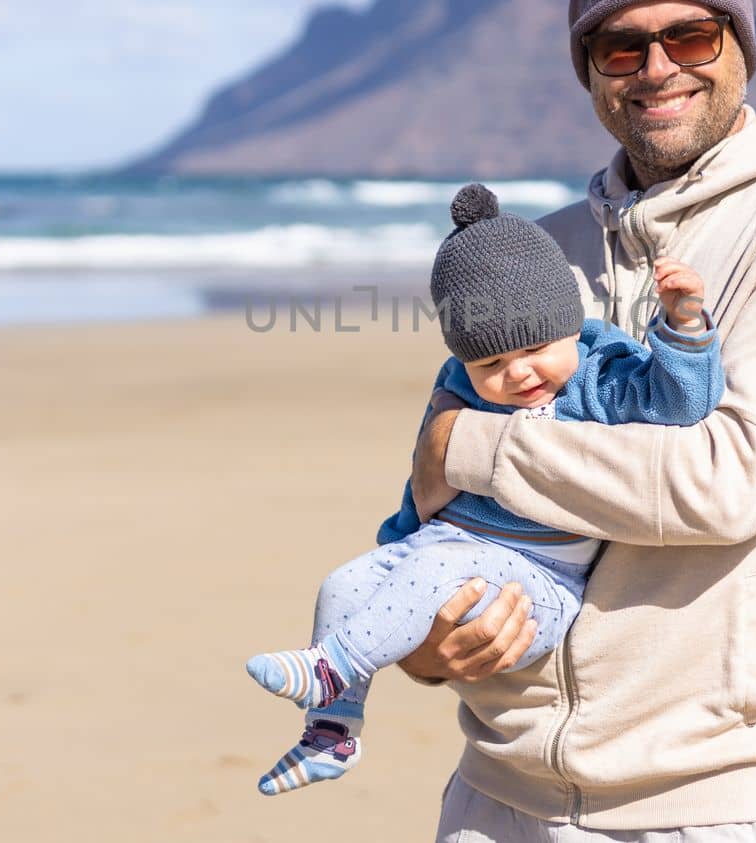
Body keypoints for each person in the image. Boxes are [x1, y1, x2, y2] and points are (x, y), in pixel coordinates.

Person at [400, 0, 756, 840]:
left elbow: (729, 481)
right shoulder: (535, 254)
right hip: (493, 799)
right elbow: (435, 509)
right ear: (590, 69)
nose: (659, 69)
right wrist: (429, 645)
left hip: (710, 804)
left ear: (741, 45)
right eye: (621, 47)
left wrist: (470, 442)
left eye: (691, 33)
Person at [245, 182, 726, 796]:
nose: (517, 374)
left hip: (541, 585)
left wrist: (683, 326)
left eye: (534, 348)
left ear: (569, 328)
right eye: (489, 364)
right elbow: (425, 481)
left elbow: (679, 403)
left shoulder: (599, 379)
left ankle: (333, 667)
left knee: (439, 567)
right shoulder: (460, 391)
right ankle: (331, 732)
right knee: (343, 584)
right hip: (448, 555)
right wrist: (394, 547)